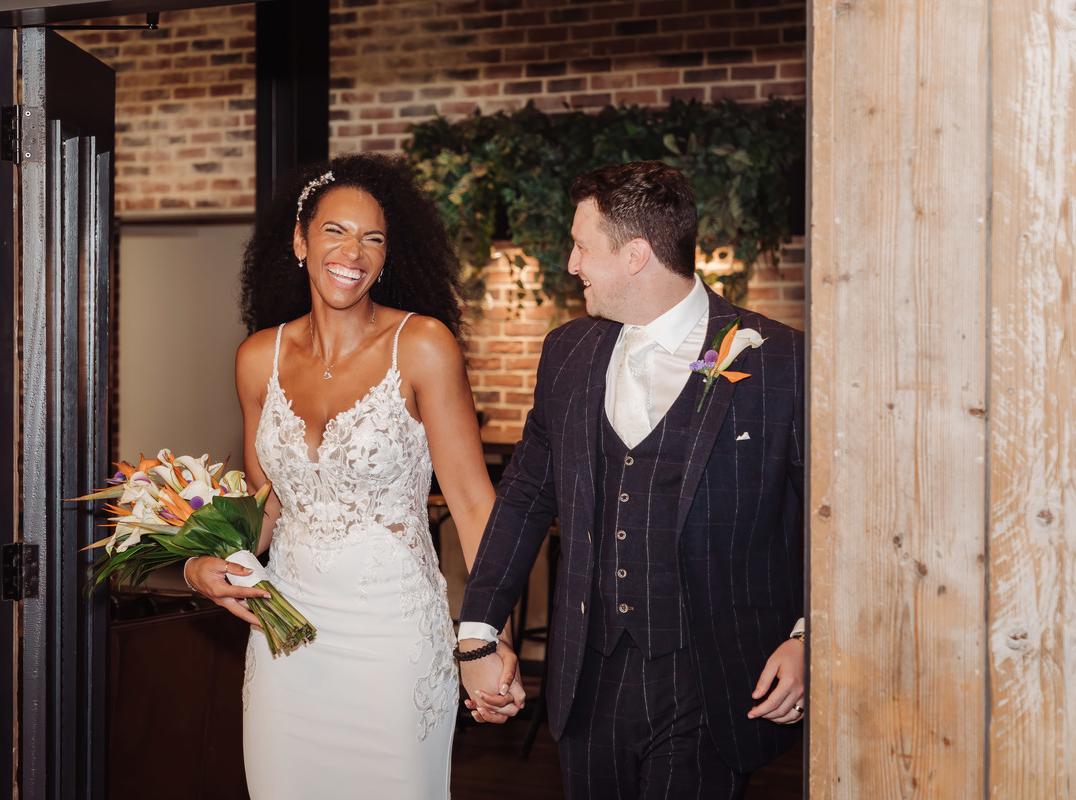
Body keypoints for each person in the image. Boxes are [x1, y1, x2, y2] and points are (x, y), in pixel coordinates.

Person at [457, 160, 805, 799]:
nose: (571, 264)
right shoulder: (567, 353)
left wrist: (810, 636)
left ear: (637, 255)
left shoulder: (779, 358)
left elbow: (825, 520)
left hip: (714, 677)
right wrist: (477, 634)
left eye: (582, 246)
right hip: (589, 677)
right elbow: (527, 496)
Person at [185, 153, 525, 799]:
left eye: (373, 238)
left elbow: (477, 506)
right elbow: (268, 508)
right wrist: (206, 561)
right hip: (287, 635)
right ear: (299, 240)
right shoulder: (260, 357)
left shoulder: (423, 345)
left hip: (393, 639)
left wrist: (486, 640)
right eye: (336, 231)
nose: (354, 251)